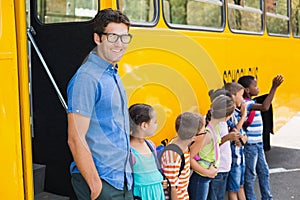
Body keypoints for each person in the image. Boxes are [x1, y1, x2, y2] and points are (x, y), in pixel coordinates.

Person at [67, 9, 134, 200]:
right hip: (103, 183)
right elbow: (75, 138)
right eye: (113, 37)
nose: (119, 44)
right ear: (98, 38)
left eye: (124, 37)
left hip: (122, 179)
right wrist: (96, 186)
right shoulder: (86, 78)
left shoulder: (111, 72)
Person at [238, 75, 284, 200]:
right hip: (250, 146)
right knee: (250, 175)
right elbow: (265, 107)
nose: (258, 89)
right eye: (255, 86)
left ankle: (267, 197)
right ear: (247, 90)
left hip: (258, 144)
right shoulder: (246, 104)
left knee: (264, 172)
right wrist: (273, 88)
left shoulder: (252, 102)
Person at [188, 95, 235, 200]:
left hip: (205, 177)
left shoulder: (215, 128)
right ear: (227, 117)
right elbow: (189, 157)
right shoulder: (208, 134)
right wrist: (207, 172)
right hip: (201, 178)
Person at [206, 89, 240, 200]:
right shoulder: (214, 124)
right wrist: (227, 138)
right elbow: (210, 146)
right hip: (217, 168)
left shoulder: (223, 122)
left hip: (224, 166)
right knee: (216, 197)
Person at [161, 112, 204, 200]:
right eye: (203, 132)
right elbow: (172, 188)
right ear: (194, 137)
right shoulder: (173, 155)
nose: (205, 134)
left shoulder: (183, 146)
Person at [129, 103, 166, 200]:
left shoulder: (151, 145)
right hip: (142, 196)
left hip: (157, 193)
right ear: (144, 125)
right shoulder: (130, 152)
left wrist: (160, 180)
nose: (156, 125)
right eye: (155, 122)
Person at [224, 82, 248, 200]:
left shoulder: (236, 113)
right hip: (233, 159)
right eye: (241, 95)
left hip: (239, 158)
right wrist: (243, 116)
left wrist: (244, 138)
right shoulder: (229, 115)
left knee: (240, 187)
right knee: (233, 190)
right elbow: (235, 132)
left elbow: (242, 134)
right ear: (233, 96)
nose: (243, 99)